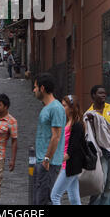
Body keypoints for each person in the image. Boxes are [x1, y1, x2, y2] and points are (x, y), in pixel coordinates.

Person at [32, 73, 66, 205]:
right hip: (42, 161)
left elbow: (56, 136)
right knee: (38, 199)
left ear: (42, 88)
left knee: (44, 200)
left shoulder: (56, 108)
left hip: (49, 164)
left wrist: (46, 159)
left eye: (35, 87)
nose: (33, 90)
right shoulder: (47, 108)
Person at [51, 95, 86, 205]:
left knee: (55, 196)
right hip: (70, 165)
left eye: (64, 106)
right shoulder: (68, 122)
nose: (62, 108)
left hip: (70, 165)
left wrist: (53, 160)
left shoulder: (77, 126)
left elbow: (71, 150)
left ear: (72, 108)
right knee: (74, 198)